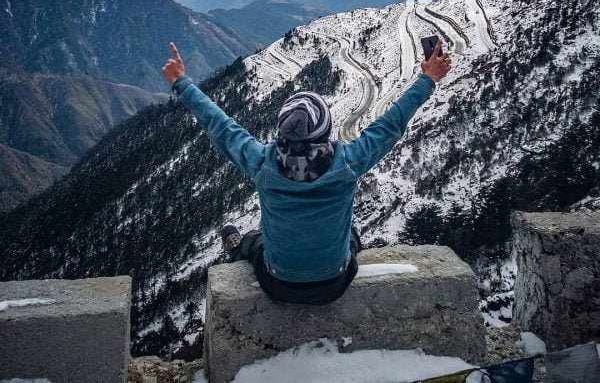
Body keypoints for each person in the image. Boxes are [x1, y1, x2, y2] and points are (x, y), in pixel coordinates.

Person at [162, 39, 450, 305]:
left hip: (277, 283)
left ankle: (239, 250)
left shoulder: (262, 163)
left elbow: (220, 125)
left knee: (255, 240)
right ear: (325, 130)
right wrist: (428, 78)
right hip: (335, 283)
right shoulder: (349, 161)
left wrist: (181, 82)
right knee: (350, 234)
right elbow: (391, 123)